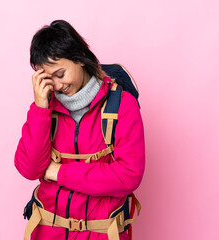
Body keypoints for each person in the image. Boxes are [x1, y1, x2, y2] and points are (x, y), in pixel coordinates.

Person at [14, 20, 145, 240]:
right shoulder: (43, 108)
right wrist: (40, 109)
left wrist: (59, 173)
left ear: (80, 59)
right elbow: (29, 169)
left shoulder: (122, 105)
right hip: (48, 232)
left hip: (102, 233)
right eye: (47, 78)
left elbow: (128, 175)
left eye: (60, 74)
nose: (56, 86)